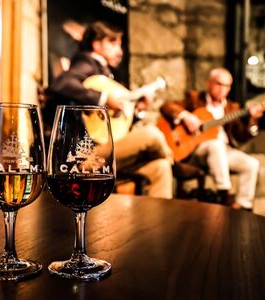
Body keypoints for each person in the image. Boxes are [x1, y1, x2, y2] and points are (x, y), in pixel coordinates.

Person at [44, 21, 173, 199]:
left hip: (107, 148)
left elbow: (112, 125)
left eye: (119, 45)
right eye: (112, 43)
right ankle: (176, 157)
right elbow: (63, 83)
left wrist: (137, 111)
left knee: (160, 166)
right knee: (152, 133)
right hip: (87, 154)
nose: (119, 51)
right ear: (96, 44)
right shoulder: (87, 62)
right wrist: (103, 99)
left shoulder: (107, 74)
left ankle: (157, 224)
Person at [160, 67, 264, 210]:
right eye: (219, 84)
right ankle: (225, 193)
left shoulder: (232, 108)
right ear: (209, 83)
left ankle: (243, 206)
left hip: (224, 152)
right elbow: (167, 106)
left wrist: (252, 120)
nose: (223, 89)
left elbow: (240, 136)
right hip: (198, 150)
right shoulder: (195, 99)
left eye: (227, 86)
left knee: (251, 164)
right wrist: (186, 116)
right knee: (215, 145)